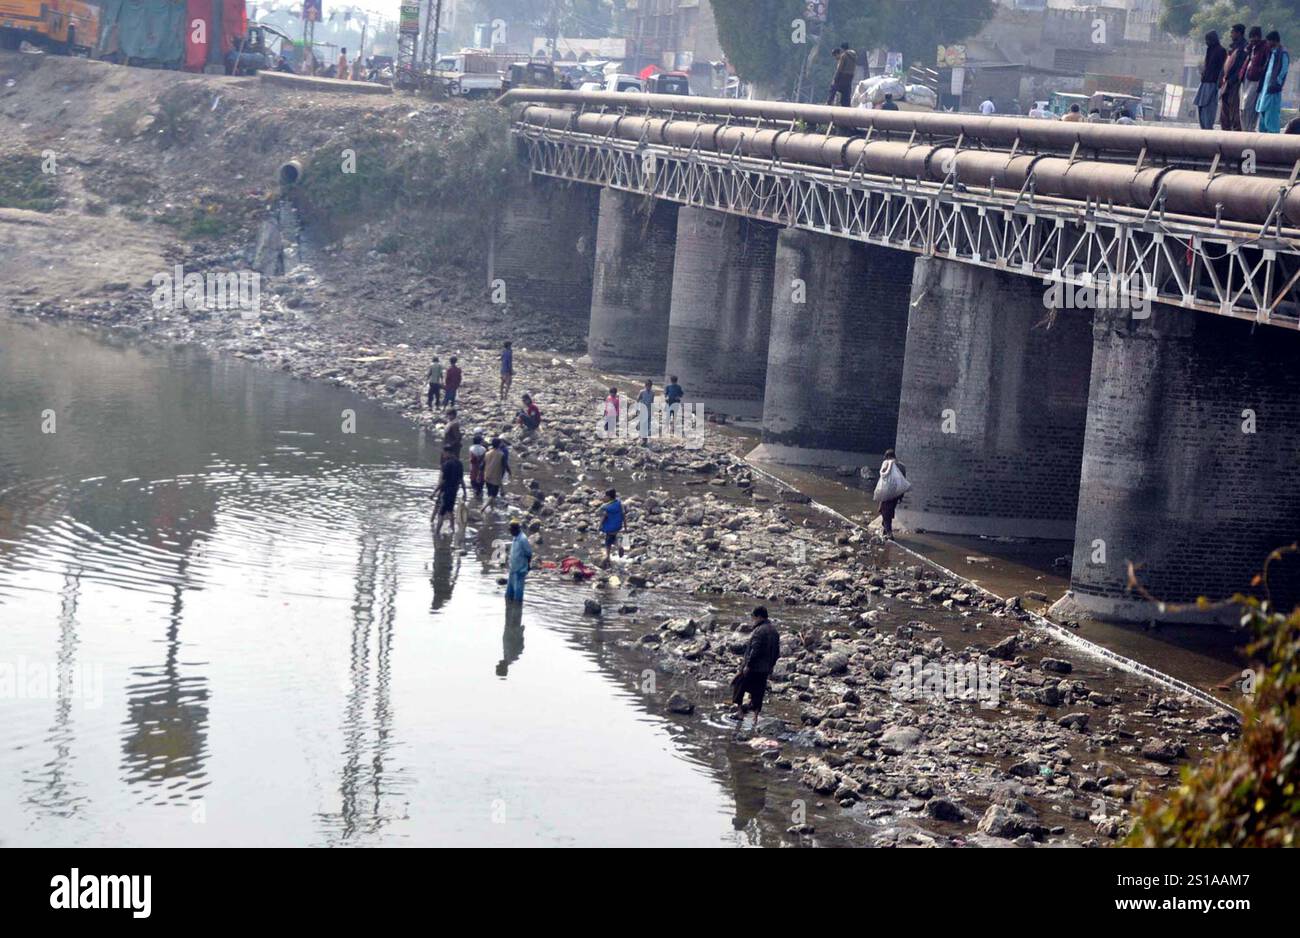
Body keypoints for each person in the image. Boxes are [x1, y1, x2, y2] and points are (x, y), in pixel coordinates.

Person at [732, 607, 780, 732]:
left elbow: (755, 650)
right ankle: (755, 717)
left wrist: (747, 665)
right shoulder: (774, 631)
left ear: (759, 617)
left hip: (754, 666)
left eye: (753, 617)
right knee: (759, 691)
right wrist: (771, 666)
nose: (752, 620)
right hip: (765, 668)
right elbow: (776, 652)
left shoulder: (759, 631)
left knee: (740, 685)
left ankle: (739, 712)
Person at [1257, 31, 1290, 133]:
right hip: (1265, 90)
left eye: (1268, 41)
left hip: (1273, 90)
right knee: (1262, 114)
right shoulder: (1272, 53)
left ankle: (1273, 141)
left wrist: (1276, 83)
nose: (1267, 44)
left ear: (1274, 41)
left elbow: (1283, 71)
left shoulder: (1282, 53)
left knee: (1271, 116)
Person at [1195, 31, 1227, 130]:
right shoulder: (1209, 50)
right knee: (1201, 106)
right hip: (1205, 82)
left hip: (1213, 83)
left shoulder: (1221, 51)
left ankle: (1208, 127)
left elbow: (1222, 68)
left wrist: (1219, 82)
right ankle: (1203, 127)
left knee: (1209, 107)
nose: (1206, 42)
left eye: (1208, 40)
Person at [432, 450, 467, 536]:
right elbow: (461, 479)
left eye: (444, 453)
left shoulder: (446, 465)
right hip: (454, 491)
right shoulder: (459, 464)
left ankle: (436, 533)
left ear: (449, 453)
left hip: (446, 492)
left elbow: (442, 481)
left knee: (441, 513)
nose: (443, 455)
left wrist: (434, 492)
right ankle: (453, 529)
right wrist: (465, 492)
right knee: (450, 510)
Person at [1220, 23, 1248, 130]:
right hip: (1227, 83)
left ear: (1239, 33)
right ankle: (1225, 132)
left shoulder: (1243, 48)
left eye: (1232, 32)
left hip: (1235, 84)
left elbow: (1241, 67)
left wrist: (1232, 80)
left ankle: (1236, 134)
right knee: (1225, 110)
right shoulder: (1233, 47)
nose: (1231, 35)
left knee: (1234, 110)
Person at [877, 447, 907, 539]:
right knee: (888, 511)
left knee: (885, 512)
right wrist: (901, 496)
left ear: (888, 457)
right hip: (897, 494)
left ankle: (889, 534)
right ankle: (885, 531)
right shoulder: (902, 466)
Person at [1242, 26, 1269, 132]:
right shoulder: (1251, 48)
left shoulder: (1264, 47)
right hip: (1247, 79)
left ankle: (1250, 128)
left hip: (1256, 80)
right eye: (1251, 38)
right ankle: (1245, 128)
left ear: (1258, 37)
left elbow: (1266, 63)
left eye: (1253, 38)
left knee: (1250, 104)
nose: (1252, 40)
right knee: (1244, 105)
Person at [505, 520, 533, 603]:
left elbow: (529, 553)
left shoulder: (523, 539)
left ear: (516, 529)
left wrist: (528, 566)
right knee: (508, 595)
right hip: (513, 569)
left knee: (518, 595)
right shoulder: (515, 537)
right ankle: (510, 610)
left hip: (520, 570)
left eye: (511, 530)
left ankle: (517, 610)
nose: (510, 532)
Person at [599, 488, 624, 565]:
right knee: (613, 538)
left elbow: (604, 516)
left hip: (611, 527)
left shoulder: (607, 507)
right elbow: (623, 514)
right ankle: (619, 546)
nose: (604, 497)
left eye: (605, 496)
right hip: (617, 526)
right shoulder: (618, 503)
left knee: (608, 541)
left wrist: (600, 525)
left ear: (609, 497)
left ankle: (607, 556)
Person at [484, 437, 507, 504]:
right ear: (499, 444)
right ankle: (483, 508)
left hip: (487, 476)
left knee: (489, 493)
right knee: (493, 495)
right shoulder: (501, 454)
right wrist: (502, 477)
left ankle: (491, 508)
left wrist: (479, 474)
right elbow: (504, 466)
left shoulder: (487, 453)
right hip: (496, 478)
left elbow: (482, 465)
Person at [468, 433, 487, 501]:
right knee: (481, 483)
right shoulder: (483, 449)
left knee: (473, 481)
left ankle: (475, 495)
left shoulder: (471, 448)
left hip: (473, 467)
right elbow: (484, 460)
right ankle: (479, 495)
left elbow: (471, 459)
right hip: (481, 468)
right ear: (480, 441)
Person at [635, 379, 655, 445]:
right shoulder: (642, 392)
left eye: (650, 386)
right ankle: (643, 438)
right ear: (645, 386)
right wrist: (637, 409)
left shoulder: (652, 393)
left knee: (646, 425)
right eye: (647, 386)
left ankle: (644, 439)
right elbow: (637, 400)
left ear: (651, 386)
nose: (648, 387)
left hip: (649, 410)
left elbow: (652, 402)